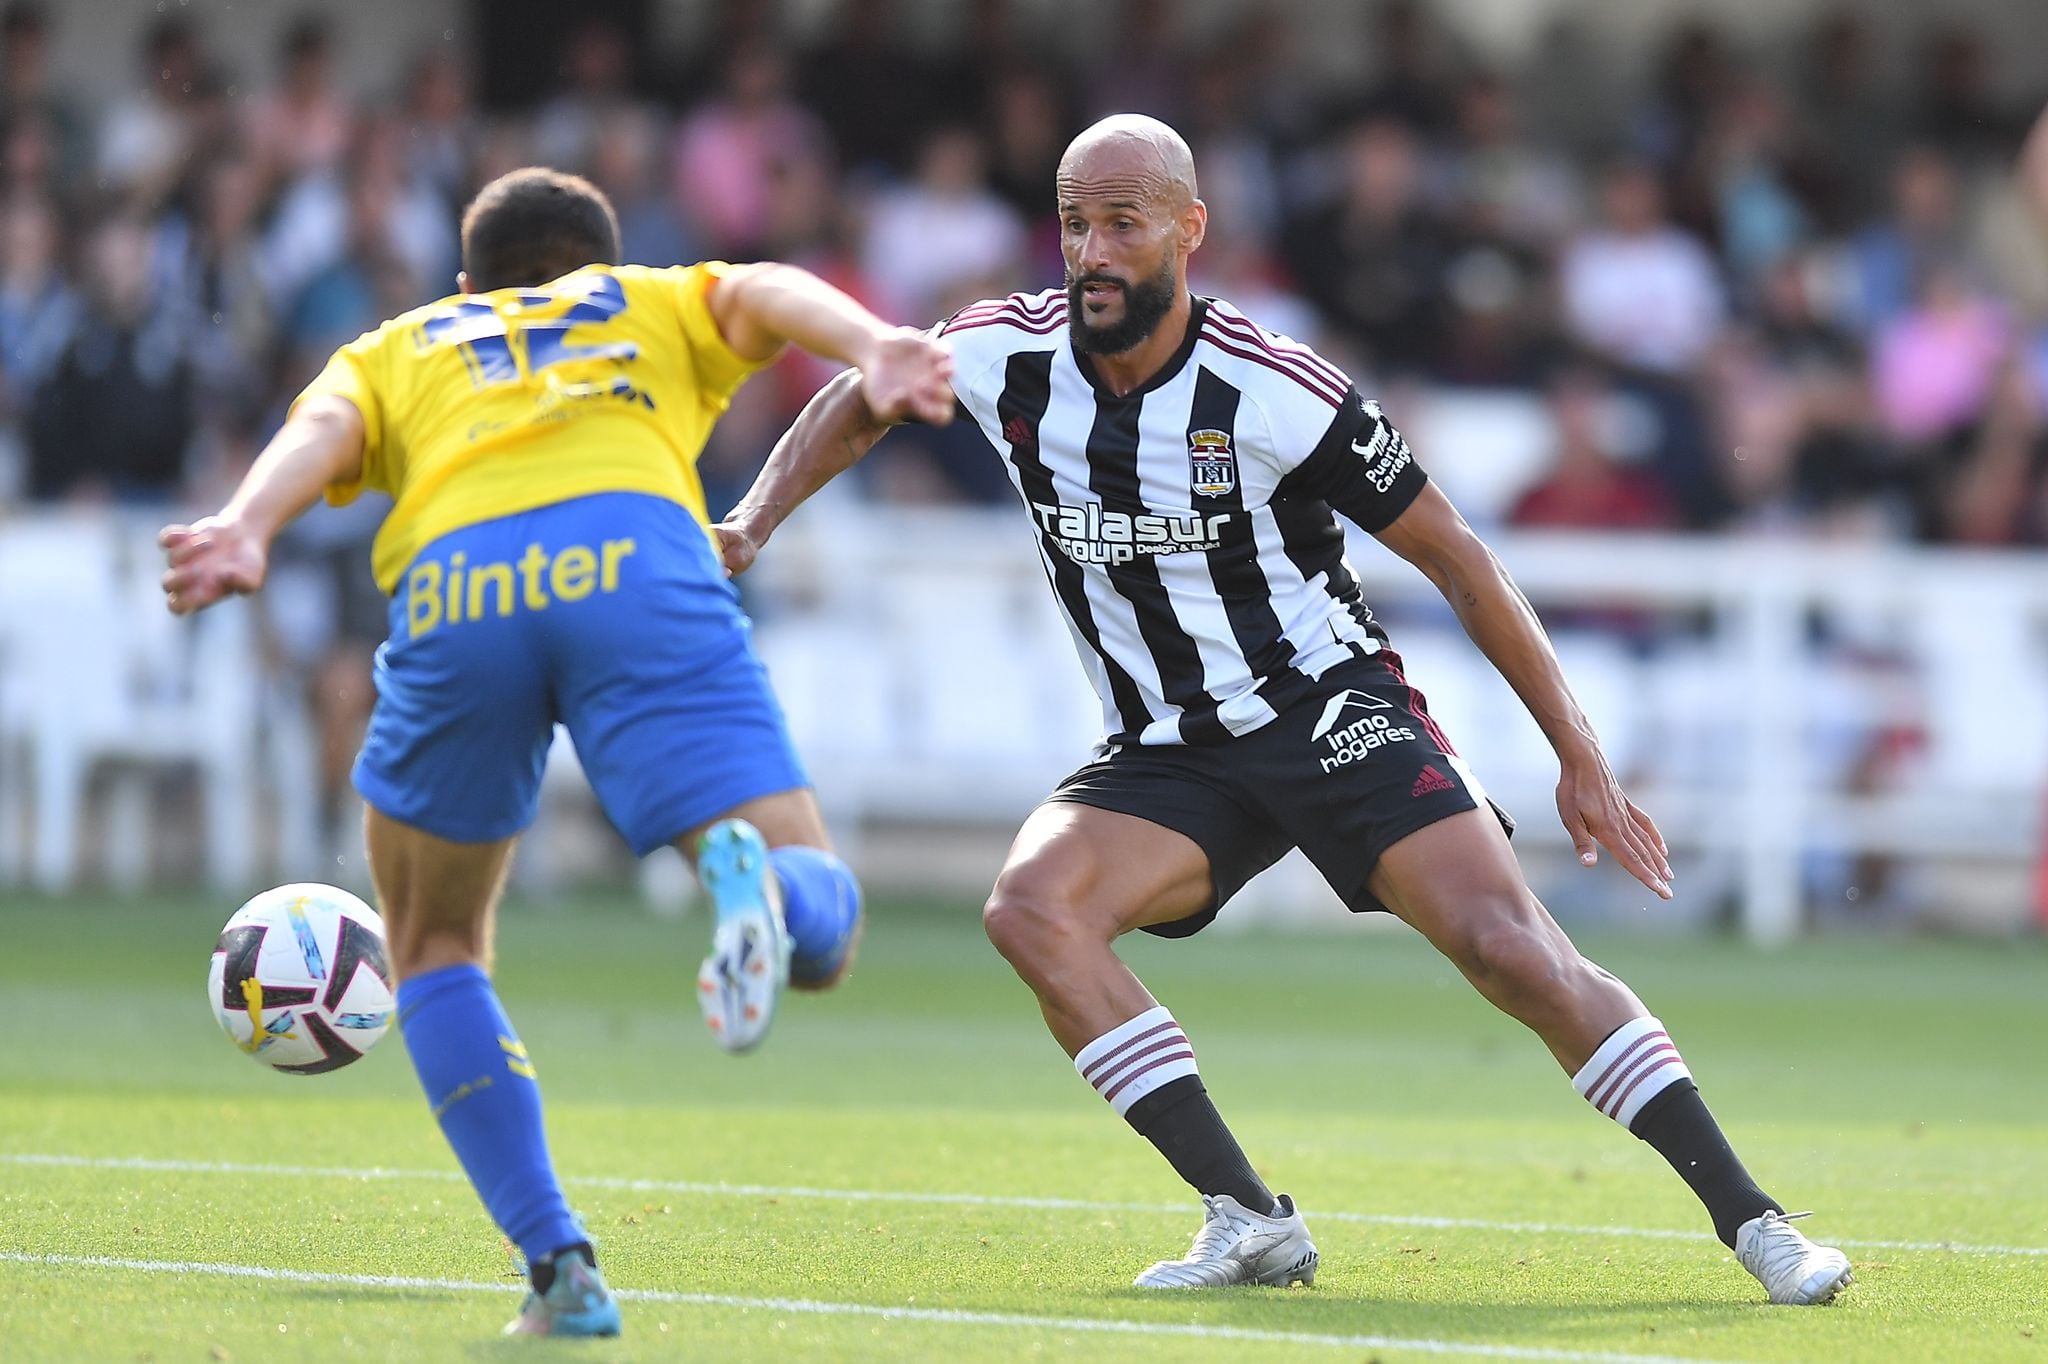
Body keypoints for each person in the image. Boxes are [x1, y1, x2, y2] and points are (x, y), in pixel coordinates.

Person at [717, 115, 1854, 1306]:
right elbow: (863, 394)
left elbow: (1459, 558)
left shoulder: (1271, 386)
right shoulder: (1007, 352)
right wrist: (753, 516)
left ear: (1188, 230)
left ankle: (1757, 1222)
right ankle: (1247, 1217)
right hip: (1170, 748)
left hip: (1323, 707)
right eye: (1071, 224)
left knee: (1508, 948)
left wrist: (1576, 754)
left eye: (1120, 222)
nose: (1090, 252)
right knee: (1032, 910)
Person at [159, 167, 955, 1337]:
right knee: (817, 917)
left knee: (431, 944)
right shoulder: (644, 300)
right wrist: (877, 341)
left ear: (469, 282)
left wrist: (245, 522)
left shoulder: (409, 339)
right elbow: (766, 286)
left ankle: (560, 1268)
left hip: (461, 577)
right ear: (599, 261)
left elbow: (321, 425)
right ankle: (769, 896)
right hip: (633, 553)